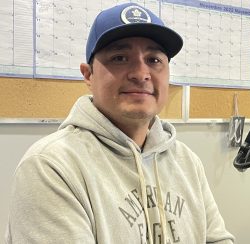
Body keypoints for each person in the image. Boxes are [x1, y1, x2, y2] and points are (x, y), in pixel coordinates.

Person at [6, 2, 235, 244]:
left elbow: (217, 239)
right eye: (120, 57)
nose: (140, 73)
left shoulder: (186, 161)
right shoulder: (51, 166)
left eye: (154, 59)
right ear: (88, 74)